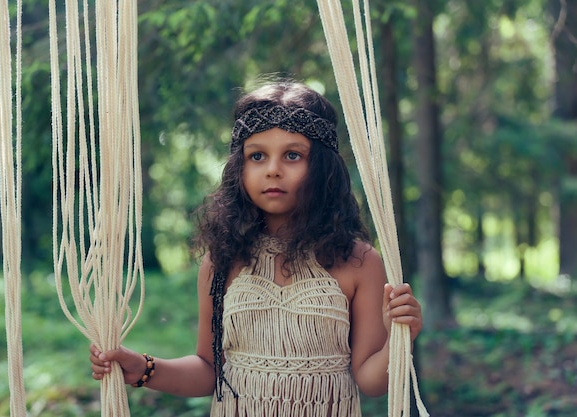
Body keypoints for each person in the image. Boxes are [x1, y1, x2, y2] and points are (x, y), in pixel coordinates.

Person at [89, 81, 423, 416]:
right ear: (240, 167)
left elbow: (372, 382)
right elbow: (209, 370)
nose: (272, 169)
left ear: (323, 168)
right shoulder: (222, 259)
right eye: (257, 156)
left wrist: (401, 338)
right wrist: (145, 369)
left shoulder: (358, 261)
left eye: (293, 155)